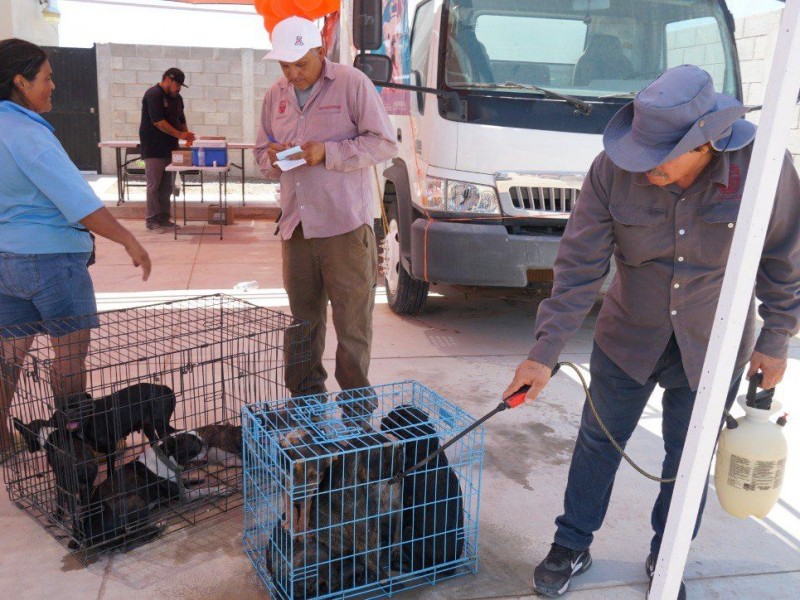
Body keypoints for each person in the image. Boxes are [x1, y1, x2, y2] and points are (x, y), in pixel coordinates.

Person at [503, 65, 800, 598]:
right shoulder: (609, 172)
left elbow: (784, 258)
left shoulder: (763, 168)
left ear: (706, 142)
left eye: (657, 156)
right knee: (599, 441)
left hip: (714, 343)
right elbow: (578, 267)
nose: (641, 168)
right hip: (627, 336)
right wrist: (543, 352)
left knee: (688, 456)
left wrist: (776, 337)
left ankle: (668, 556)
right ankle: (572, 542)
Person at [0, 38, 152, 462]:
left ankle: (0, 438)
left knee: (9, 354)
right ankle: (77, 441)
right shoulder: (28, 134)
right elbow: (81, 203)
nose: (53, 86)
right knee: (69, 356)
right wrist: (129, 239)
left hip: (5, 261)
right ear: (20, 81)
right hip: (52, 264)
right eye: (46, 78)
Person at [254, 17, 397, 422]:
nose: (292, 74)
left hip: (345, 228)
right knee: (303, 323)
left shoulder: (352, 83)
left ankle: (355, 413)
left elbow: (384, 142)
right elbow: (261, 152)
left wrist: (327, 153)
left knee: (352, 323)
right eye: (284, 66)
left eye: (300, 63)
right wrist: (274, 158)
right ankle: (305, 406)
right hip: (296, 227)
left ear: (320, 52)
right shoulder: (275, 95)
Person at [139, 67, 195, 231]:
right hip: (154, 147)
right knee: (154, 185)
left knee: (167, 186)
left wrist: (186, 135)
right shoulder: (153, 94)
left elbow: (181, 118)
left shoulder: (177, 98)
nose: (178, 89)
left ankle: (164, 218)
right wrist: (179, 134)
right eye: (177, 84)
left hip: (170, 148)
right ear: (168, 80)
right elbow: (158, 122)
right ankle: (152, 220)